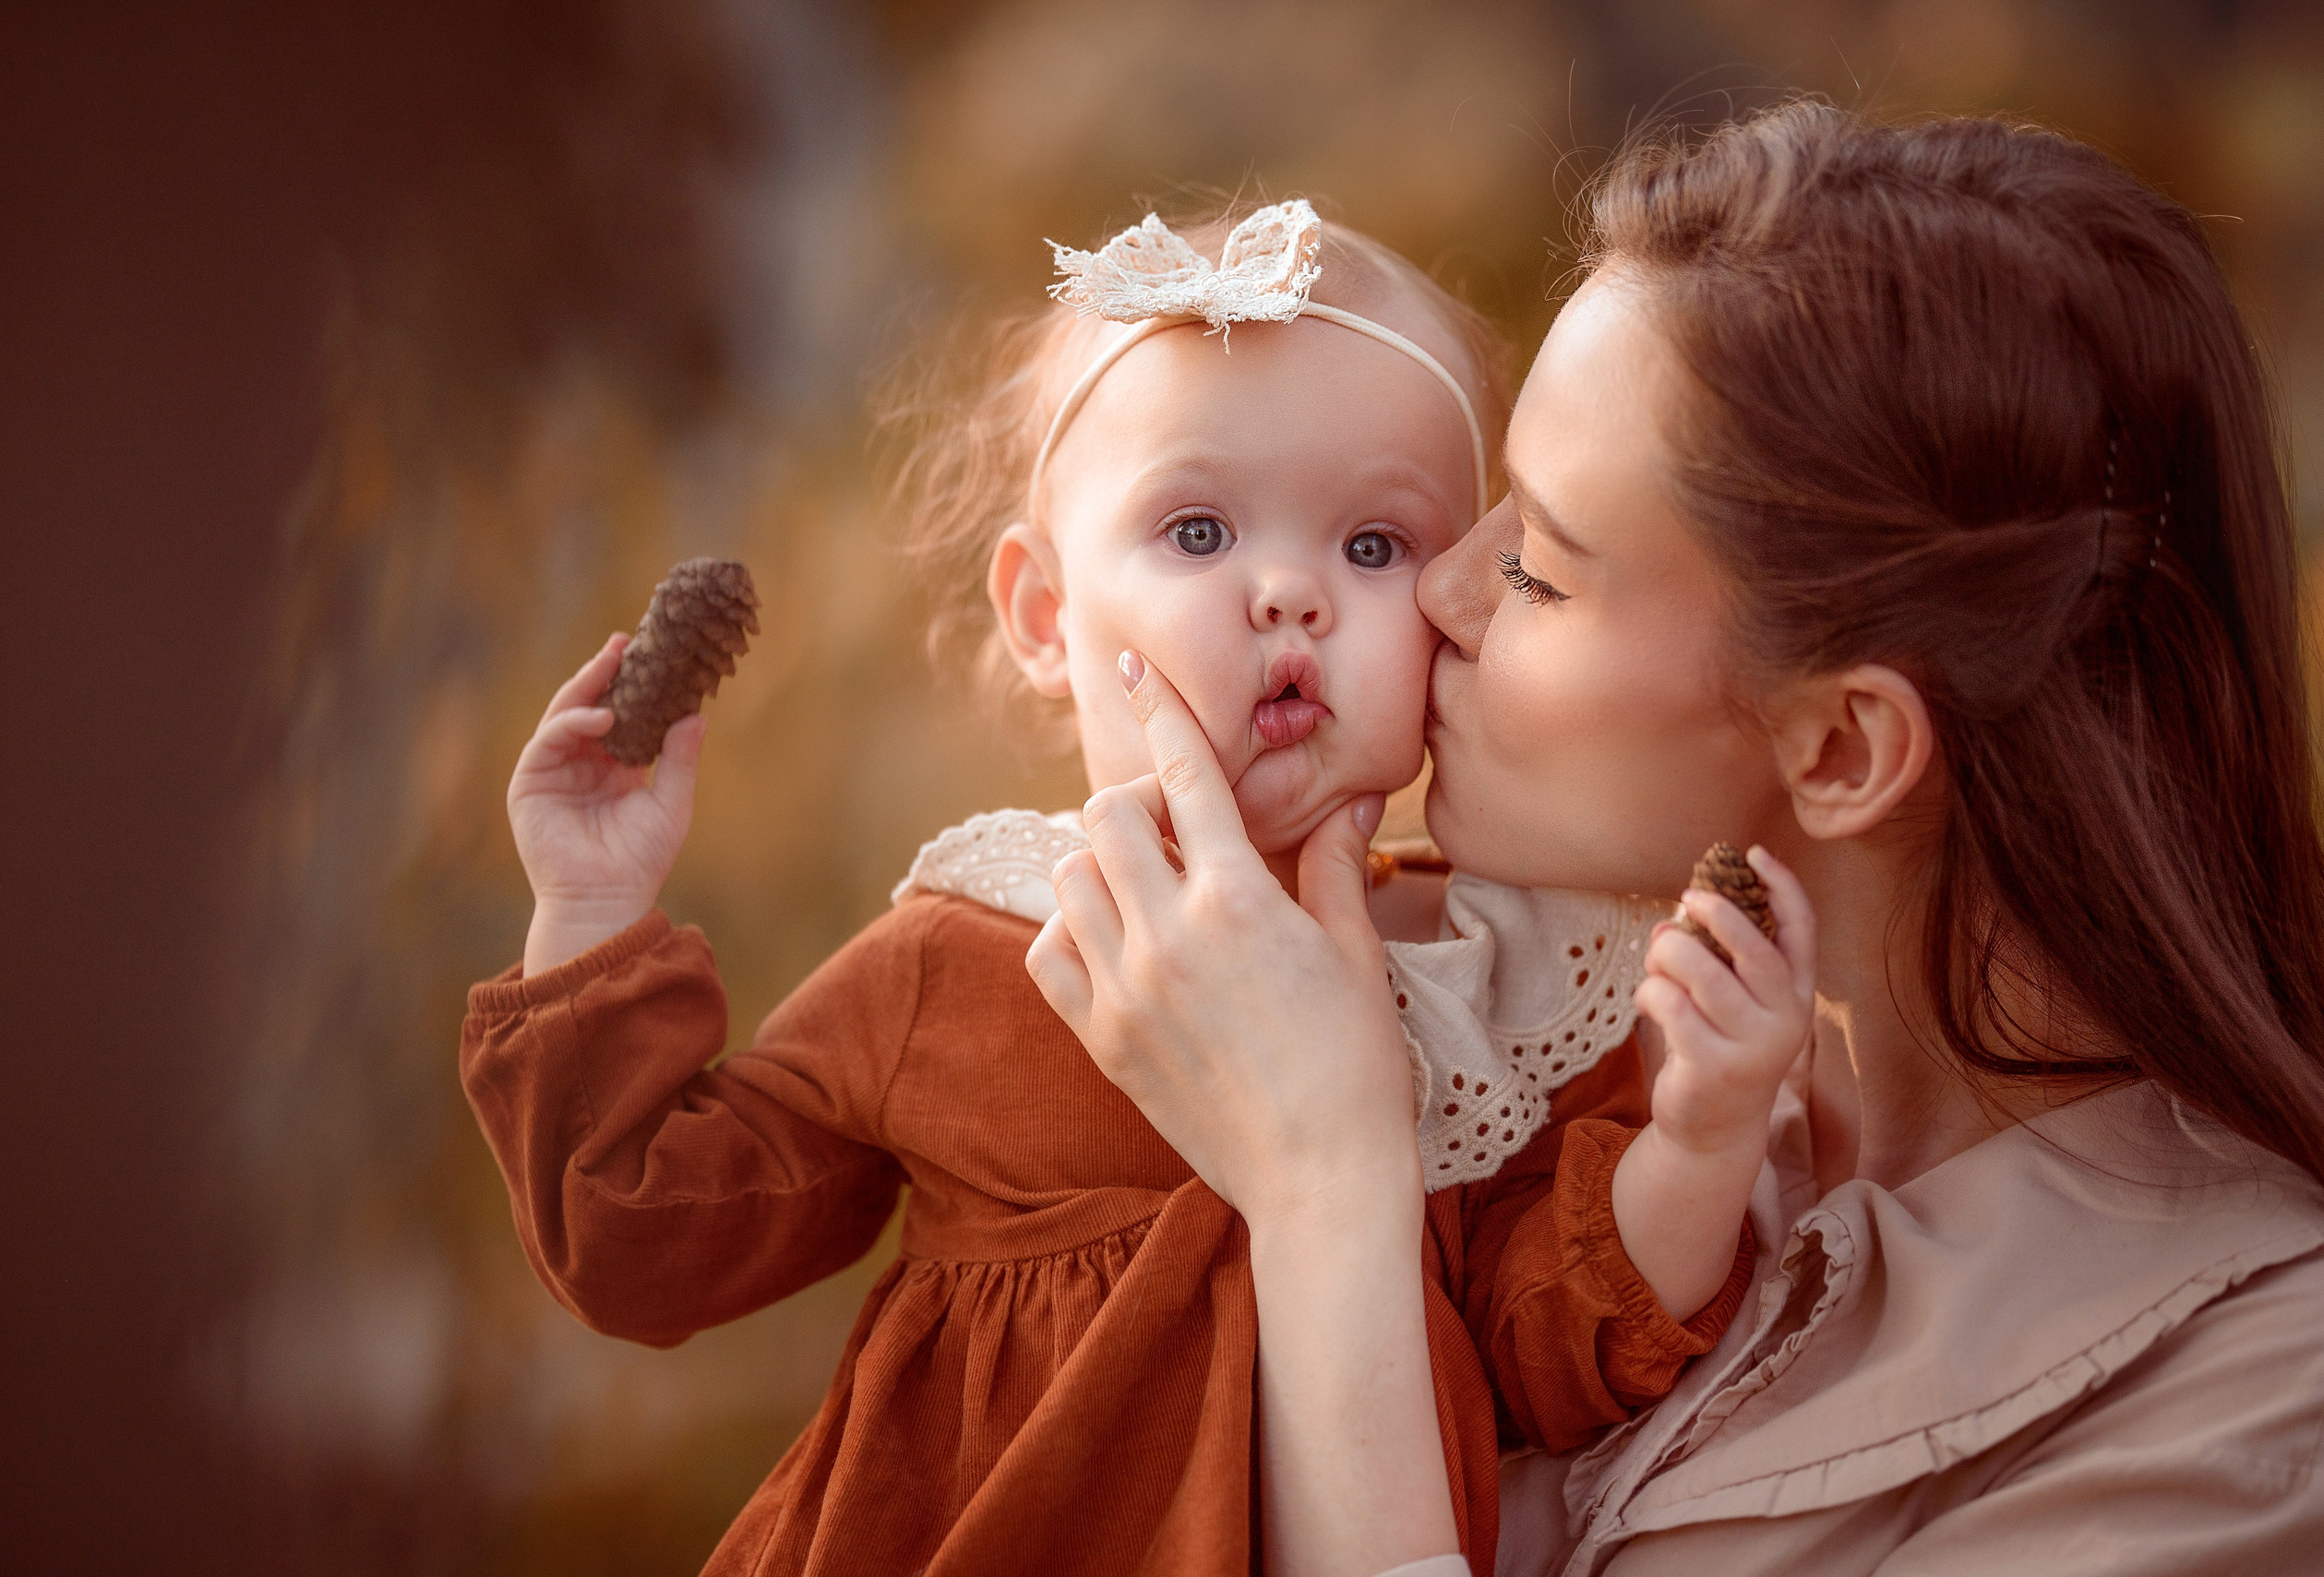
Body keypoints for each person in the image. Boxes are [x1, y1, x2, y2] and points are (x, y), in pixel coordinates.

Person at [1031, 102, 2324, 1577]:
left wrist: (1327, 1193)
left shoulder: (2242, 1429)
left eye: (1541, 566)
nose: (1439, 592)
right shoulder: (1577, 1096)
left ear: (1839, 747)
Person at [458, 198, 1795, 1577]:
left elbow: (1557, 1348)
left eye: (1375, 546)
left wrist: (1699, 1143)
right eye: (1201, 532)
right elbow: (645, 1237)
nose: (1290, 593)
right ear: (1046, 616)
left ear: (1458, 599)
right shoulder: (974, 947)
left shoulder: (1502, 989)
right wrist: (589, 909)